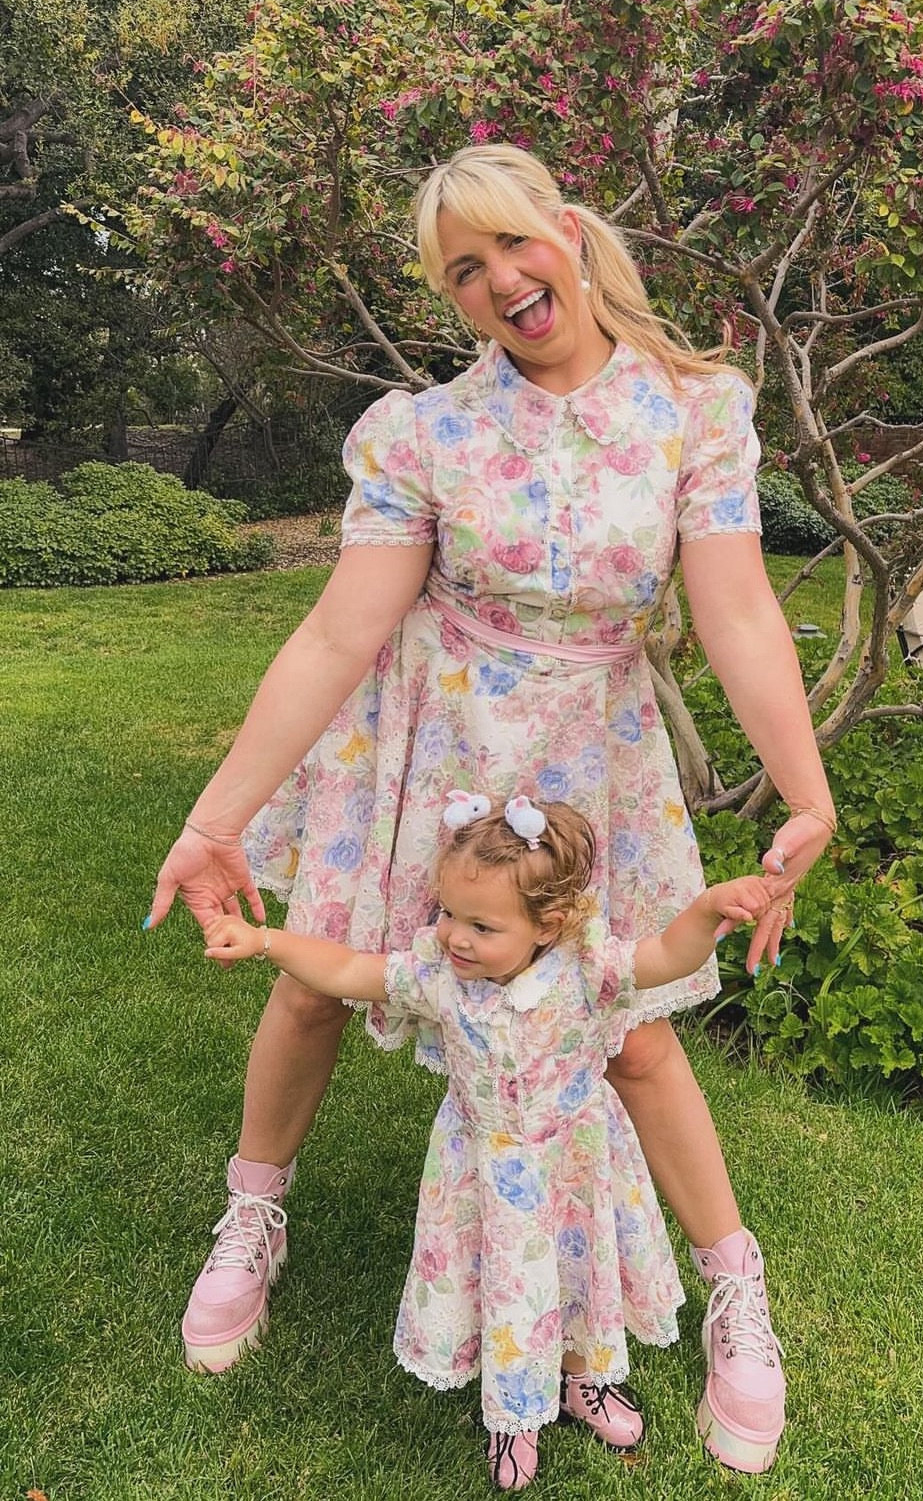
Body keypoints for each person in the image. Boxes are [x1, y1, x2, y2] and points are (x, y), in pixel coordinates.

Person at [147, 142, 836, 1474]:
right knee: (311, 987)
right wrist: (216, 818)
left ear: (567, 232)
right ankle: (253, 1215)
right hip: (431, 739)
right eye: (464, 270)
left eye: (514, 243)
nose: (501, 280)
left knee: (630, 1036)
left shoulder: (694, 411)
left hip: (593, 756)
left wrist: (807, 793)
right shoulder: (425, 433)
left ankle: (734, 1290)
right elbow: (339, 631)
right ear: (452, 297)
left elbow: (741, 610)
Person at [204, 792, 778, 1491]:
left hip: (573, 1161)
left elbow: (665, 955)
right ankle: (514, 1414)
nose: (455, 936)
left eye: (481, 925)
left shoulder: (588, 969)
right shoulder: (439, 978)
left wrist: (709, 909)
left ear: (549, 924)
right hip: (485, 1167)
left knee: (577, 1270)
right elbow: (350, 970)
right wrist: (267, 942)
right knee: (509, 1283)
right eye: (448, 913)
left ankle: (585, 1377)